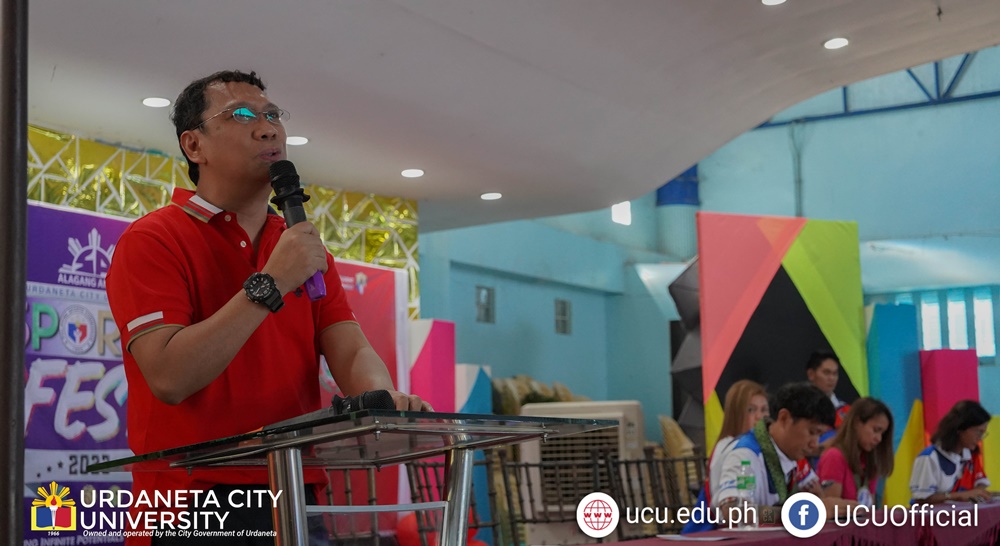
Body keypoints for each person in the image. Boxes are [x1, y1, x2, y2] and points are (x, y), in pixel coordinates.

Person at [106, 69, 429, 545]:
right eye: (241, 115)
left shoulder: (303, 247)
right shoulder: (153, 239)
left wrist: (383, 399)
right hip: (190, 498)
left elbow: (350, 348)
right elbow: (170, 377)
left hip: (294, 489)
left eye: (273, 115)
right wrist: (273, 282)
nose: (268, 128)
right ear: (194, 145)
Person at [714, 382, 836, 524]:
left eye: (820, 435)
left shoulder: (792, 454)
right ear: (784, 418)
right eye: (812, 432)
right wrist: (791, 514)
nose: (815, 444)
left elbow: (816, 494)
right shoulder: (745, 455)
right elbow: (734, 513)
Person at [910, 400, 991, 504]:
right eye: (978, 432)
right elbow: (921, 499)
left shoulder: (971, 456)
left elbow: (980, 484)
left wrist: (978, 493)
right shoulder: (929, 458)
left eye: (983, 433)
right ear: (960, 428)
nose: (980, 438)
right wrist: (960, 496)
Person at [817, 397, 894, 507]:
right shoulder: (834, 456)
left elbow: (870, 508)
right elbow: (830, 510)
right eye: (876, 430)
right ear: (857, 423)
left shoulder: (871, 462)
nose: (879, 439)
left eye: (882, 433)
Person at [708, 380, 770, 502]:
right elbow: (743, 500)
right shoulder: (736, 448)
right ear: (736, 414)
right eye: (751, 410)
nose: (759, 417)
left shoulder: (761, 445)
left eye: (764, 410)